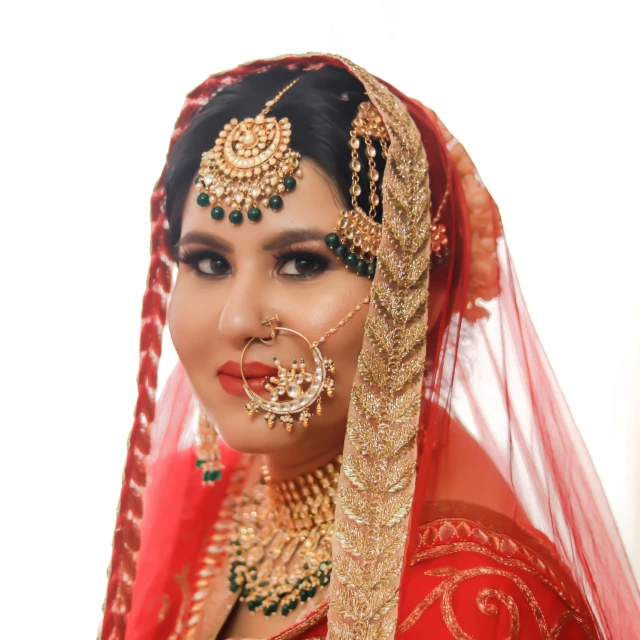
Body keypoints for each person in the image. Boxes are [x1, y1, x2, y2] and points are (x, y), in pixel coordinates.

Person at [100, 54, 640, 640]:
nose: (236, 320)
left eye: (301, 264)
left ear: (418, 294)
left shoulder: (479, 599)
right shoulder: (190, 509)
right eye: (208, 262)